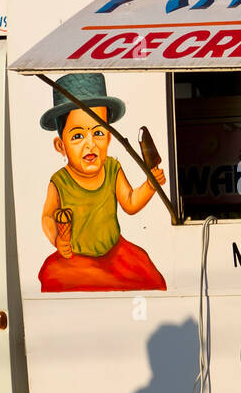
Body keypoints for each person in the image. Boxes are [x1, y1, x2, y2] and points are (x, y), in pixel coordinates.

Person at [37, 73, 167, 292]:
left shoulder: (112, 168)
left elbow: (130, 203)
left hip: (116, 255)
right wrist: (57, 239)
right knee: (56, 281)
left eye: (98, 133)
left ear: (108, 138)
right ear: (60, 146)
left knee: (149, 279)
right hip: (75, 259)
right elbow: (48, 216)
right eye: (78, 136)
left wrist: (150, 185)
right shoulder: (60, 181)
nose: (90, 145)